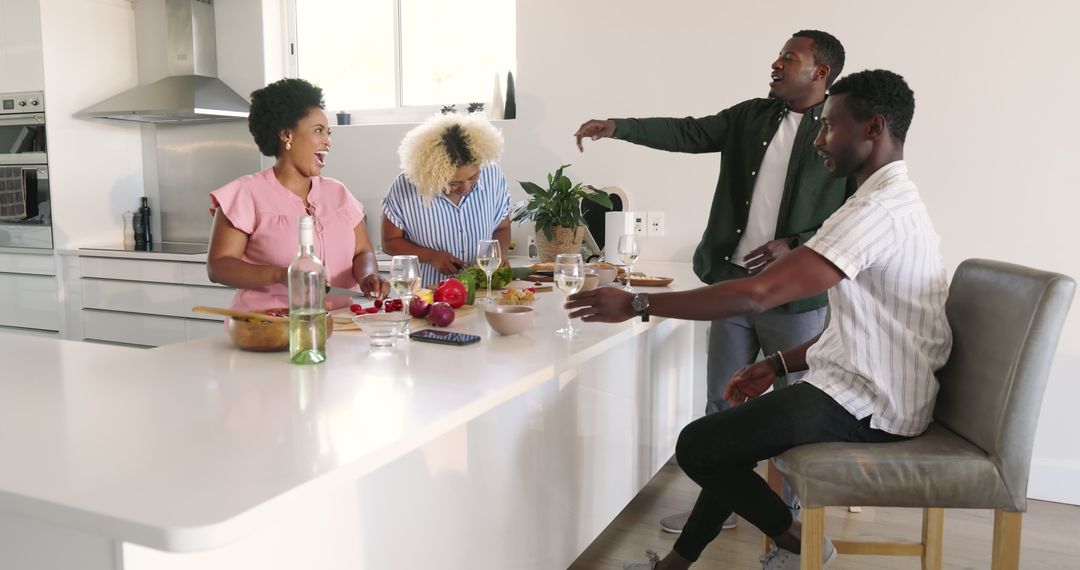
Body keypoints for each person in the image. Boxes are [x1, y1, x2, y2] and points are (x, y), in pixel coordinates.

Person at [567, 69, 951, 570]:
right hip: (860, 382)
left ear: (874, 128)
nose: (819, 140)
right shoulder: (878, 200)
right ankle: (674, 566)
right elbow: (868, 328)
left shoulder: (879, 211)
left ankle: (800, 543)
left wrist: (637, 303)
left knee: (699, 445)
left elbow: (759, 294)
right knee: (723, 441)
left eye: (831, 127)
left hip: (875, 403)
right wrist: (778, 364)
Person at [574, 30, 853, 532]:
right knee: (721, 408)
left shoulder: (838, 132)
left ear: (820, 73)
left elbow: (851, 214)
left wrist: (796, 241)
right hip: (731, 289)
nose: (776, 62)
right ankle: (718, 512)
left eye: (790, 57)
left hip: (793, 300)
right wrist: (618, 127)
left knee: (792, 415)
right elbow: (689, 132)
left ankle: (785, 524)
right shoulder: (751, 116)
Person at [207, 78, 387, 311]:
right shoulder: (245, 194)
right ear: (286, 135)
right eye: (318, 131)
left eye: (328, 132)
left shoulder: (338, 193)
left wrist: (368, 276)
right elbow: (219, 267)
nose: (328, 142)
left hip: (340, 325)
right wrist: (282, 275)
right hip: (269, 328)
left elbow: (363, 252)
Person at [382, 114, 511, 288]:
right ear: (433, 174)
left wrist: (499, 254)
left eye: (473, 177)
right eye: (453, 182)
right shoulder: (407, 186)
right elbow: (389, 243)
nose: (465, 187)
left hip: (483, 292)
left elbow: (502, 227)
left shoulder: (493, 175)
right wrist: (431, 256)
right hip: (431, 297)